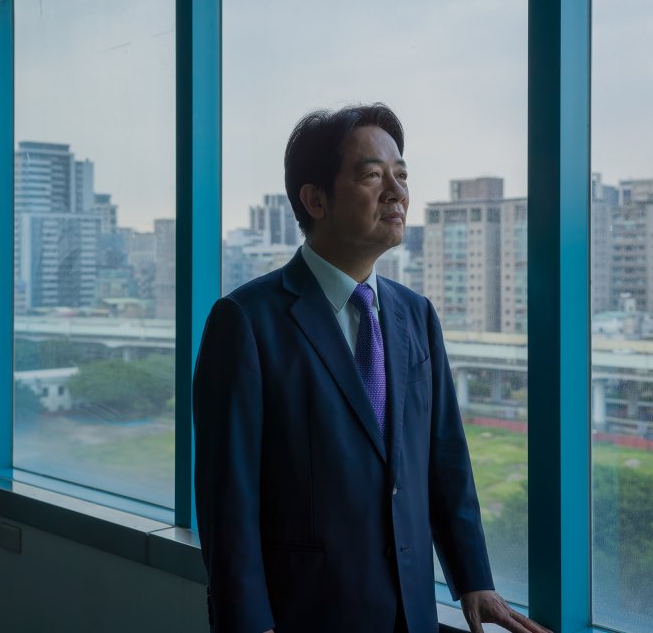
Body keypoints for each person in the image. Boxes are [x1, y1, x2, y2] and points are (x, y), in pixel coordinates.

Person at [193, 103, 550, 633]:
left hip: (412, 613)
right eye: (372, 175)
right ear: (315, 199)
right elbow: (228, 503)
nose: (398, 192)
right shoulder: (246, 322)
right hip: (306, 613)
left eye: (401, 175)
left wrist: (473, 578)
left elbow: (445, 457)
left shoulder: (416, 315)